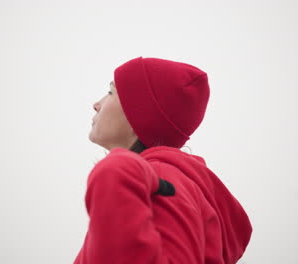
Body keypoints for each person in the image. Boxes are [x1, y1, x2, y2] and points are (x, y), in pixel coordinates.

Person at [74, 57, 252, 264]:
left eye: (111, 92)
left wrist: (116, 171)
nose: (96, 104)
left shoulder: (159, 176)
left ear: (137, 117)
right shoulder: (157, 178)